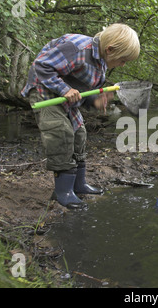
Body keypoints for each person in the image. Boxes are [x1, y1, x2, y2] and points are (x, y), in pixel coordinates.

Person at [21, 23, 140, 208]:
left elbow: (83, 91)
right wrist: (64, 89)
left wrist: (94, 100)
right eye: (123, 60)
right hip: (45, 92)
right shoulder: (77, 48)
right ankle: (63, 192)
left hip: (67, 98)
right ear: (110, 50)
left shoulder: (101, 62)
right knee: (61, 133)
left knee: (79, 133)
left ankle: (78, 184)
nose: (123, 64)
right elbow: (41, 66)